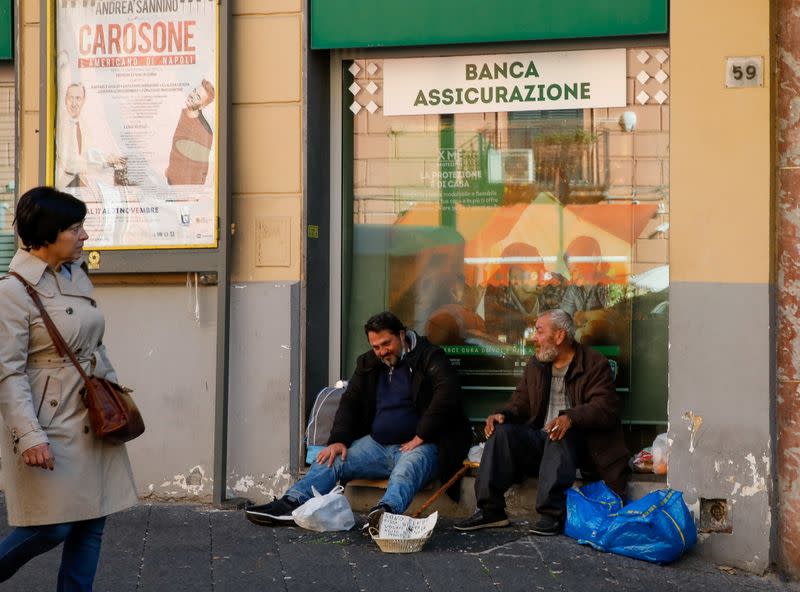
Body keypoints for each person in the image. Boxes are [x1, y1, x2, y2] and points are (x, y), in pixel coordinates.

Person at [0, 187, 138, 589]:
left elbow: (95, 344)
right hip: (50, 420)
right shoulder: (12, 292)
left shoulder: (75, 274)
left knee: (92, 522)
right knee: (53, 526)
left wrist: (114, 400)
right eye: (75, 228)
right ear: (48, 233)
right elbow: (7, 372)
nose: (84, 236)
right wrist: (28, 436)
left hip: (91, 415)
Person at [246, 311, 471, 531]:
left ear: (401, 335)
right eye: (376, 347)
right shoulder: (369, 363)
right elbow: (350, 401)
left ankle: (385, 514)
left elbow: (447, 395)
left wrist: (421, 435)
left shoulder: (429, 356)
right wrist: (338, 440)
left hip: (421, 445)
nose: (381, 352)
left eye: (386, 344)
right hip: (377, 446)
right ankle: (291, 503)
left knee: (406, 470)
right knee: (331, 459)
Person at [455, 309, 629, 535]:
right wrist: (503, 414)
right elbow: (521, 402)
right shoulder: (537, 365)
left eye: (539, 331)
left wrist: (570, 418)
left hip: (582, 447)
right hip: (542, 442)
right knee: (502, 432)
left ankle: (551, 513)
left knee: (558, 431)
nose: (533, 338)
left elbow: (605, 408)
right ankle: (490, 510)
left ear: (559, 336)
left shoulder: (594, 363)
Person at [482, 242, 564, 344]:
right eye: (532, 273)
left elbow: (564, 328)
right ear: (511, 277)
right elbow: (497, 334)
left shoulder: (555, 287)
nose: (541, 277)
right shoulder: (496, 294)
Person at [55, 83, 123, 190]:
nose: (74, 103)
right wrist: (104, 163)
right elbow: (70, 164)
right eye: (70, 98)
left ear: (83, 100)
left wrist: (108, 159)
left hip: (80, 183)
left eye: (78, 98)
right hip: (64, 185)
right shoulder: (60, 124)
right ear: (65, 100)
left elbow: (89, 154)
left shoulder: (83, 124)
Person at [165, 80, 216, 185]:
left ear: (202, 106)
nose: (192, 96)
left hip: (185, 190)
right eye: (194, 91)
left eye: (198, 97)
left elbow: (202, 168)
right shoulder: (182, 113)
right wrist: (170, 171)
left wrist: (193, 195)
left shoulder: (204, 131)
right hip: (171, 182)